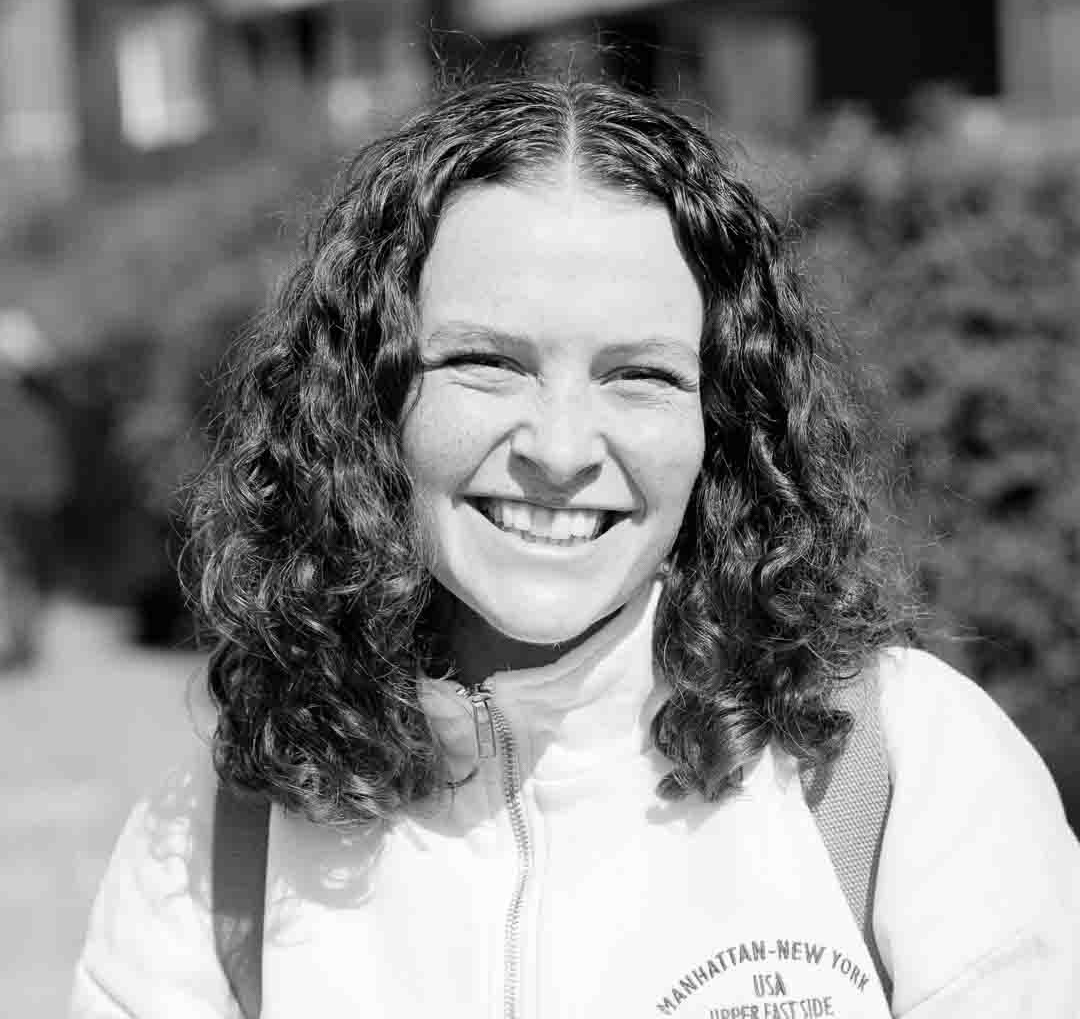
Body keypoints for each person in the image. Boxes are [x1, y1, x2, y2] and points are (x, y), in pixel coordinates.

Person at [70, 78, 1079, 1018]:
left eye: (639, 376)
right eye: (486, 363)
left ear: (721, 422)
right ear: (370, 398)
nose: (559, 450)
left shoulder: (906, 774)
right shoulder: (215, 853)